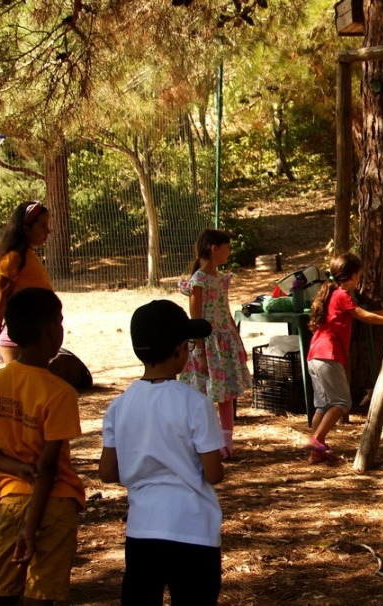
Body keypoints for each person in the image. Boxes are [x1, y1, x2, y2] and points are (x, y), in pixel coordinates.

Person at [98, 300, 226, 604]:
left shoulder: (119, 406)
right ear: (180, 350)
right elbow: (213, 473)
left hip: (142, 529)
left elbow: (106, 472)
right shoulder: (196, 403)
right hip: (193, 529)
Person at [0, 287, 85, 605]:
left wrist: (16, 467)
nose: (62, 328)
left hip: (10, 500)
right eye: (60, 321)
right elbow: (46, 467)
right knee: (41, 595)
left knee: (3, 591)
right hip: (53, 504)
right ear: (50, 332)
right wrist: (30, 530)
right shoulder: (60, 392)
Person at [304, 252, 383, 463]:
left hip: (315, 356)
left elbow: (363, 312)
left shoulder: (332, 293)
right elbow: (365, 317)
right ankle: (316, 440)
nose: (359, 279)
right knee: (342, 402)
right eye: (359, 275)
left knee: (323, 406)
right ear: (352, 275)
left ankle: (316, 451)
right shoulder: (342, 295)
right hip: (328, 356)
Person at [179, 229, 252, 458]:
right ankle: (205, 444)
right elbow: (196, 320)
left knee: (226, 394)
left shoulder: (221, 279)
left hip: (225, 344)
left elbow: (226, 312)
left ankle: (226, 445)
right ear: (214, 249)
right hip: (208, 345)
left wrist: (238, 342)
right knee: (205, 395)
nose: (229, 252)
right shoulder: (198, 281)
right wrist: (200, 353)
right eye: (226, 248)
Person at [0, 201, 54, 364]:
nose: (48, 231)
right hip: (21, 340)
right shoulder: (14, 258)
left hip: (35, 336)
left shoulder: (28, 255)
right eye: (43, 225)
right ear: (26, 228)